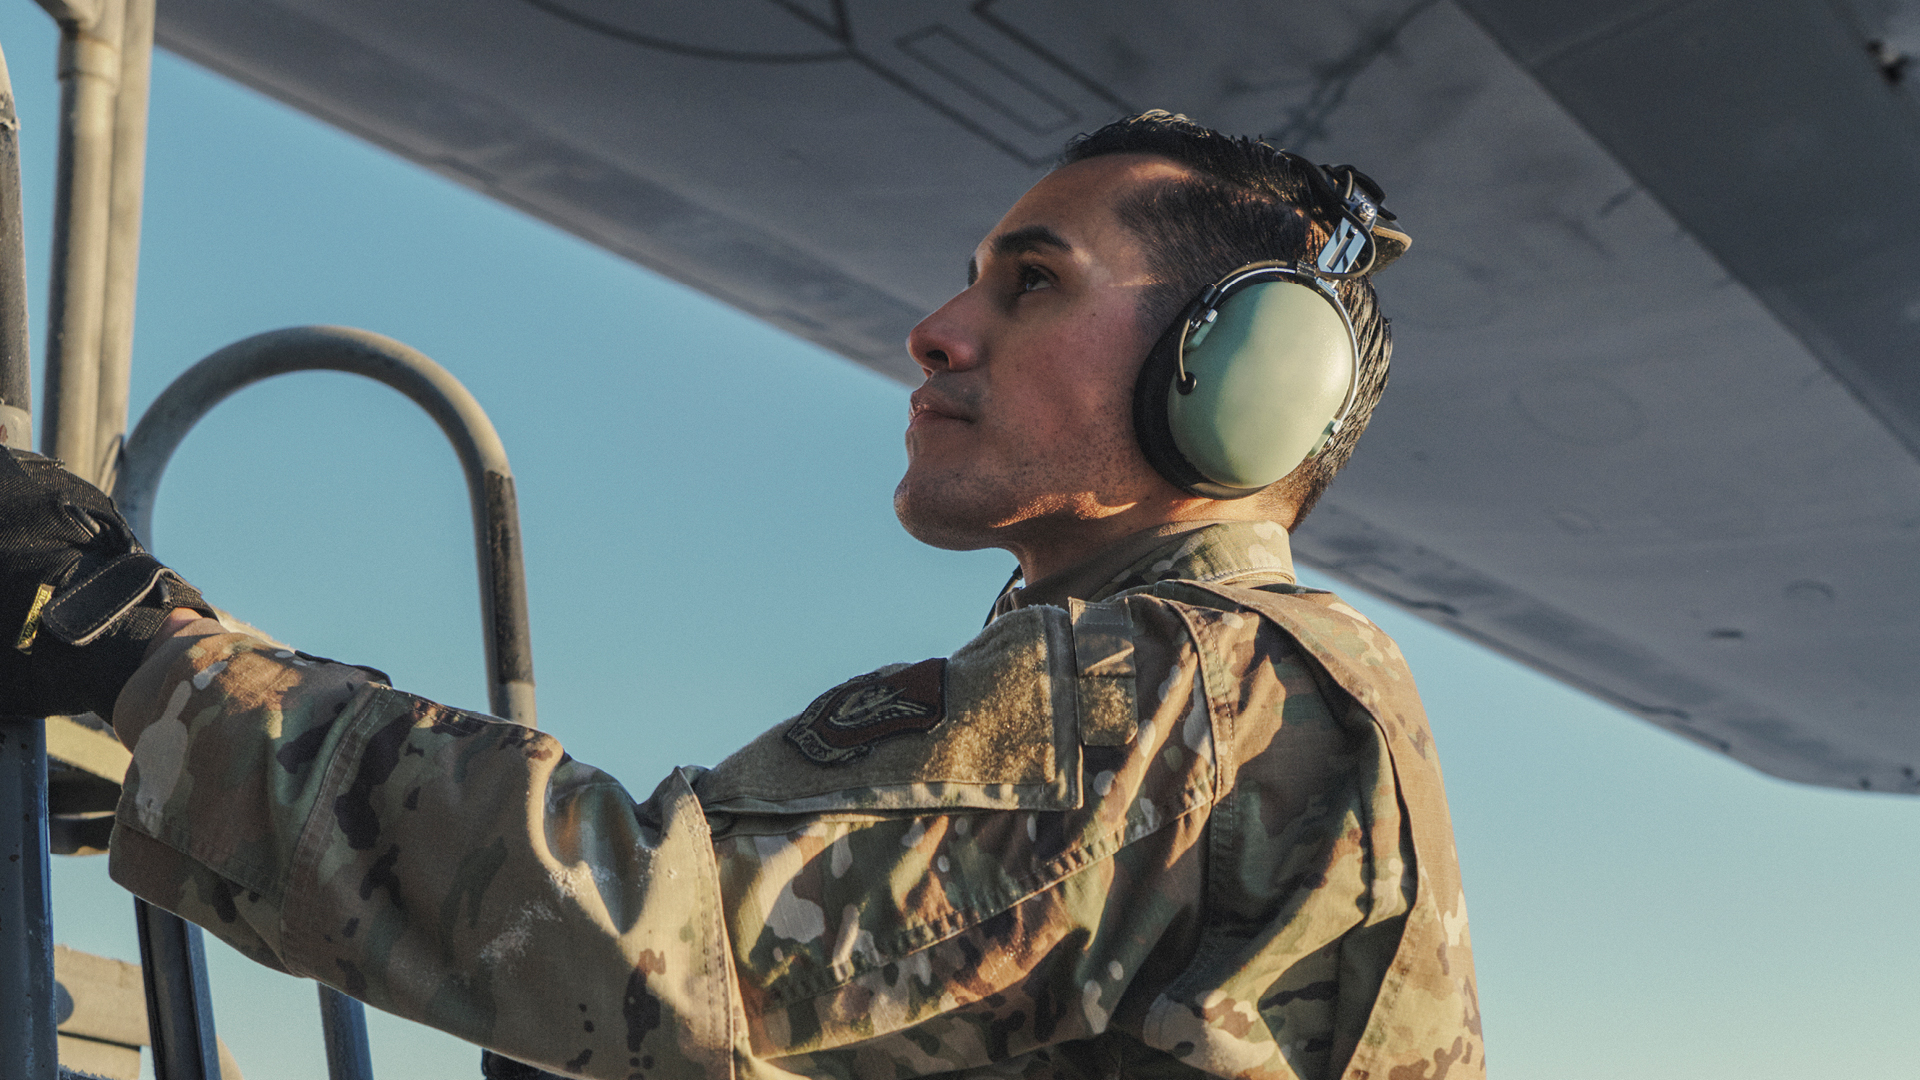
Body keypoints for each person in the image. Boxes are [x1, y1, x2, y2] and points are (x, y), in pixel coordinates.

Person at [0, 112, 1481, 1080]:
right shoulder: (1238, 691)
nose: (937, 332)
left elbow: (648, 939)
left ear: (1238, 384)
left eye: (1031, 283)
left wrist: (127, 643)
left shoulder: (1168, 687)